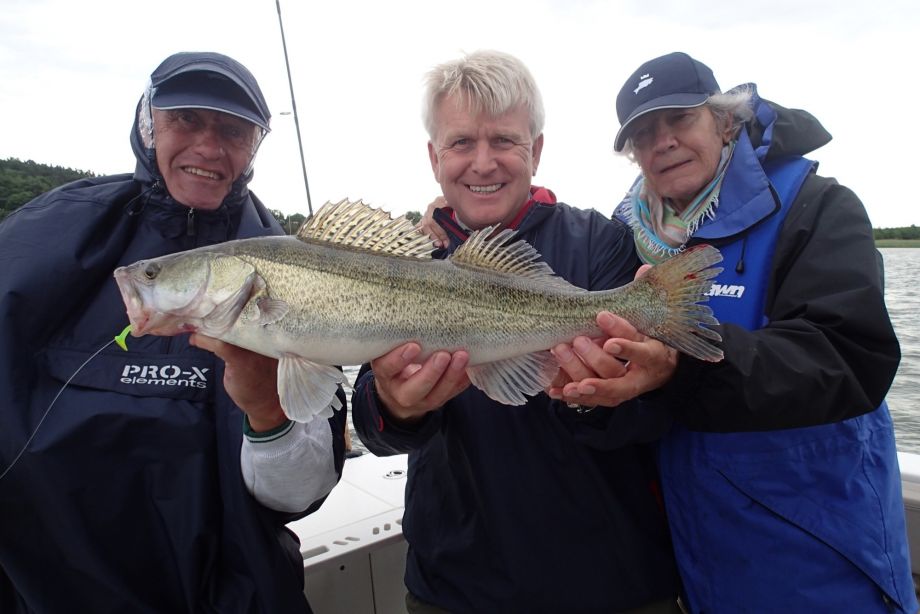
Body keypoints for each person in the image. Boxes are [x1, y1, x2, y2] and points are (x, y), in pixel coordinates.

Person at [549, 51, 917, 612]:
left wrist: (684, 367)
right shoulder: (629, 242)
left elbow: (847, 359)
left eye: (680, 119)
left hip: (820, 564)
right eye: (644, 134)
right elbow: (638, 408)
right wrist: (593, 397)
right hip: (699, 567)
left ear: (724, 122)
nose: (664, 142)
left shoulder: (816, 205)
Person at [0, 52, 347, 613]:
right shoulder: (47, 236)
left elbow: (297, 495)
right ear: (148, 124)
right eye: (185, 119)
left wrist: (266, 406)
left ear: (254, 146)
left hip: (233, 595)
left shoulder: (295, 268)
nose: (209, 147)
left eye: (233, 130)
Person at [351, 50, 682, 614]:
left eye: (504, 140)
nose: (483, 163)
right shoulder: (407, 258)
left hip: (610, 584)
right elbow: (375, 429)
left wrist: (602, 395)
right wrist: (395, 407)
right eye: (461, 142)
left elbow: (651, 415)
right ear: (434, 157)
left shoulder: (599, 243)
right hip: (454, 589)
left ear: (537, 150)